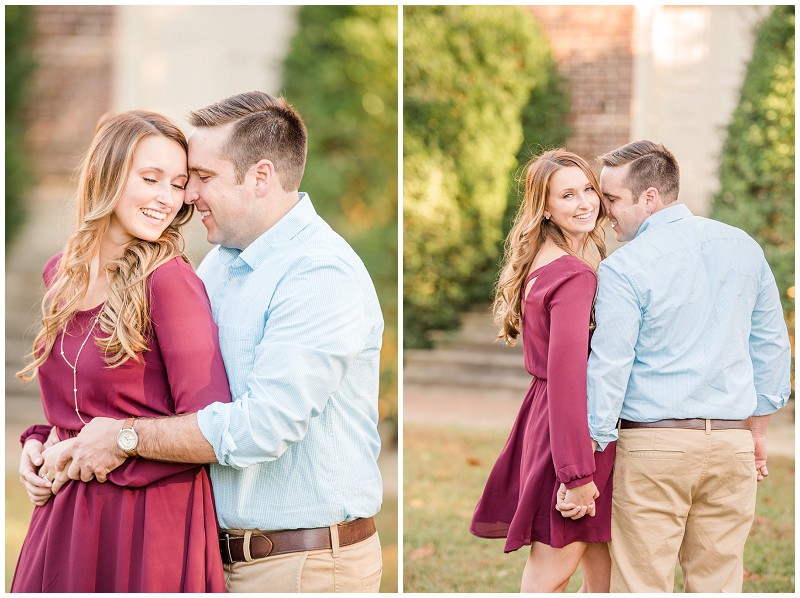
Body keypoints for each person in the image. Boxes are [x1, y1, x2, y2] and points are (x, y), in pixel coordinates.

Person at [29, 91, 386, 593]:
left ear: (260, 177)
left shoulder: (319, 272)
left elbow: (263, 426)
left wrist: (123, 437)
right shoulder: (221, 263)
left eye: (201, 178)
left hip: (301, 564)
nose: (186, 196)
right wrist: (50, 439)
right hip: (217, 549)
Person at [12, 110, 229, 592]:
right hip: (65, 516)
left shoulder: (171, 282)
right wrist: (38, 441)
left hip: (147, 521)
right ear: (101, 173)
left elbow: (211, 425)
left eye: (177, 184)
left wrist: (119, 443)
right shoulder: (61, 273)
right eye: (150, 178)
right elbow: (82, 401)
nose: (167, 199)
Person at [587, 140, 791, 592]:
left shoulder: (624, 269)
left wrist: (594, 445)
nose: (605, 213)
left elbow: (610, 366)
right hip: (732, 446)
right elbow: (772, 347)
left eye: (612, 200)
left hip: (654, 450)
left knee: (641, 585)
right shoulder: (743, 247)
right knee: (718, 585)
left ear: (650, 199)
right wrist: (757, 429)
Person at [470, 149, 615, 592]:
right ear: (545, 208)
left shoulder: (542, 262)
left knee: (605, 572)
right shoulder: (574, 275)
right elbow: (568, 378)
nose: (585, 202)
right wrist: (577, 474)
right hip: (572, 434)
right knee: (549, 576)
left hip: (547, 419)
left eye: (588, 189)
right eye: (567, 195)